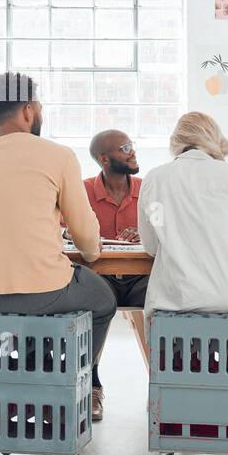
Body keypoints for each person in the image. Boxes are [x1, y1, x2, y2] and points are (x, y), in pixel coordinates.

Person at [0, 72, 116, 407]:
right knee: (104, 300)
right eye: (40, 106)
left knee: (36, 313)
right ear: (28, 110)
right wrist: (90, 253)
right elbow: (86, 232)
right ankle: (74, 381)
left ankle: (32, 382)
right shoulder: (57, 155)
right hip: (43, 289)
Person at [138, 113, 228, 319]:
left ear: (176, 140)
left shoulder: (155, 179)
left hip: (175, 299)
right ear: (216, 138)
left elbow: (152, 247)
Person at [82, 129, 148, 421]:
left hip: (140, 280)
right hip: (102, 279)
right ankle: (91, 386)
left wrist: (147, 234)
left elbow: (170, 230)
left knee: (169, 299)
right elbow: (61, 230)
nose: (132, 151)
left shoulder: (148, 190)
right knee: (93, 305)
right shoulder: (82, 190)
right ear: (104, 159)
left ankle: (164, 384)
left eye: (131, 145)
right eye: (124, 148)